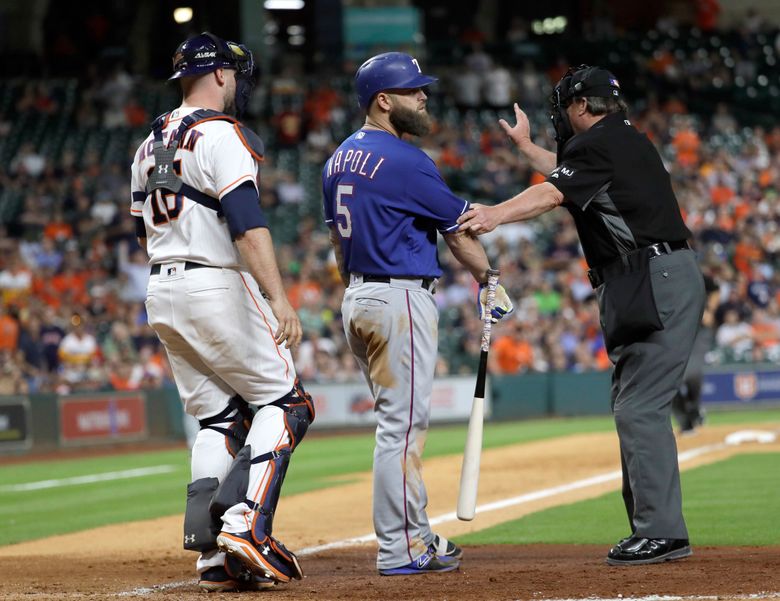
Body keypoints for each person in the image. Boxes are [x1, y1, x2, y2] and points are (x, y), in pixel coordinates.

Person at [459, 65, 705, 566]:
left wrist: (494, 214)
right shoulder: (620, 139)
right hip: (647, 276)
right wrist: (528, 151)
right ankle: (653, 529)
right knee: (633, 405)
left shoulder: (599, 144)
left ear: (579, 106)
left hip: (651, 277)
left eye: (564, 107)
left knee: (639, 408)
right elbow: (568, 178)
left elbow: (555, 192)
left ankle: (663, 532)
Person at [129, 32, 315, 592]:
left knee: (219, 420)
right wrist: (279, 297)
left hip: (161, 286)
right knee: (288, 403)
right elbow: (247, 224)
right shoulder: (221, 134)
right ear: (218, 75)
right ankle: (245, 528)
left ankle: (212, 554)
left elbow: (143, 229)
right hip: (212, 281)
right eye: (234, 75)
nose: (237, 85)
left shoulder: (149, 144)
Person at [322, 52, 513, 576]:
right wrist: (489, 280)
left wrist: (359, 292)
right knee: (402, 430)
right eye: (413, 91)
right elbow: (458, 230)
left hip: (359, 295)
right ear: (384, 101)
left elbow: (338, 243)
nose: (424, 97)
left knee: (396, 425)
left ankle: (416, 533)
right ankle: (403, 548)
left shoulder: (337, 158)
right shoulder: (404, 160)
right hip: (398, 297)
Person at [672, 272, 719, 433]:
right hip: (676, 330)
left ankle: (693, 408)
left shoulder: (693, 272)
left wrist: (710, 310)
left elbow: (714, 289)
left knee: (692, 372)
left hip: (699, 330)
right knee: (669, 379)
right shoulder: (661, 274)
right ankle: (686, 421)